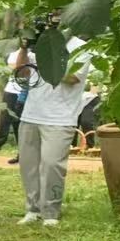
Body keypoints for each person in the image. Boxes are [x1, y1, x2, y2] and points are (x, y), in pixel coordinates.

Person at [17, 34, 93, 227]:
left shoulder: (80, 47)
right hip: (31, 114)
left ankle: (50, 212)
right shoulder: (39, 42)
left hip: (60, 118)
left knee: (52, 165)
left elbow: (73, 78)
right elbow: (21, 73)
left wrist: (44, 60)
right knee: (29, 166)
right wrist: (25, 48)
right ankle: (32, 210)